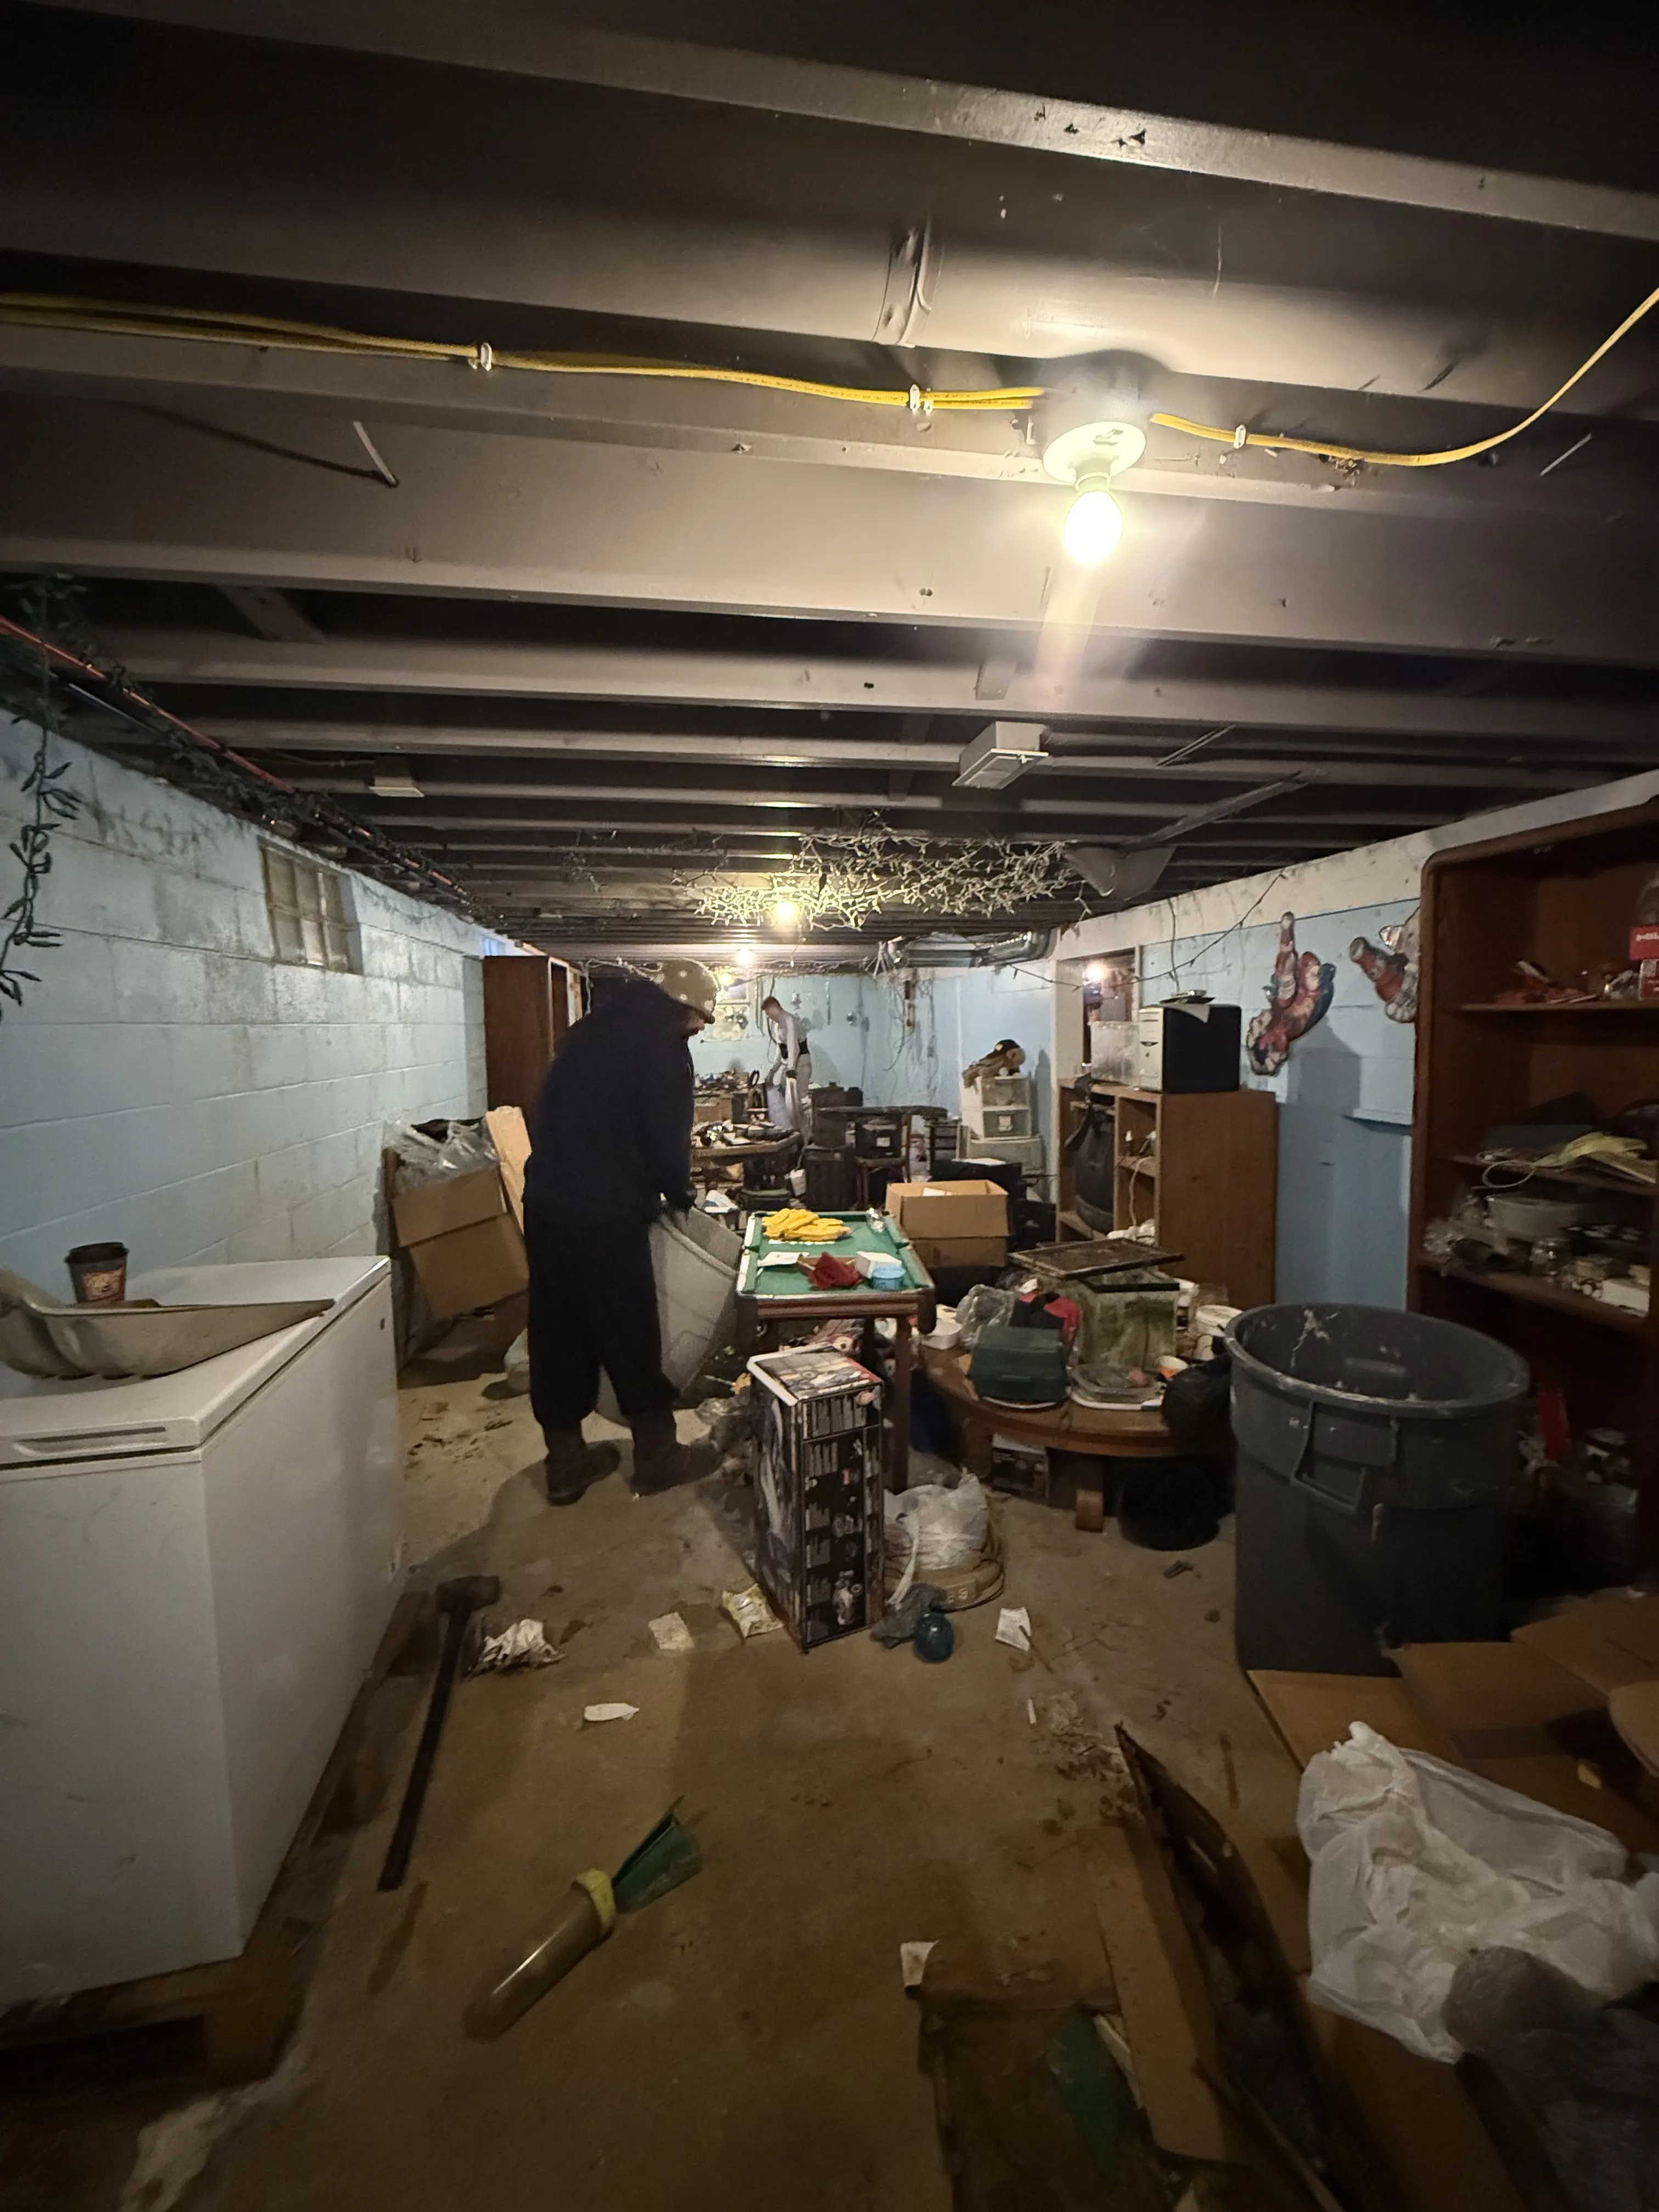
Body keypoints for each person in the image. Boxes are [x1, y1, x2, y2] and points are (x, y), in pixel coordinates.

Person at [522, 960, 722, 1505]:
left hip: (547, 1206)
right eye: (700, 1018)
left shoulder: (589, 1033)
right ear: (682, 1008)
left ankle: (565, 1462)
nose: (700, 1029)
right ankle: (657, 1457)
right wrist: (680, 1194)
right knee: (629, 1330)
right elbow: (666, 1138)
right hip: (608, 1214)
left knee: (558, 1329)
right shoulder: (662, 1048)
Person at [760, 993, 813, 1135]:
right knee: (788, 1100)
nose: (768, 1016)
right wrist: (773, 1070)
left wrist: (791, 1069)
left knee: (802, 1099)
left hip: (801, 1062)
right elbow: (782, 1051)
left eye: (768, 1013)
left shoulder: (790, 1020)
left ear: (773, 1008)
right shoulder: (778, 1026)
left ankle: (808, 1135)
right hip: (790, 1063)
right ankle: (794, 1132)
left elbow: (793, 1047)